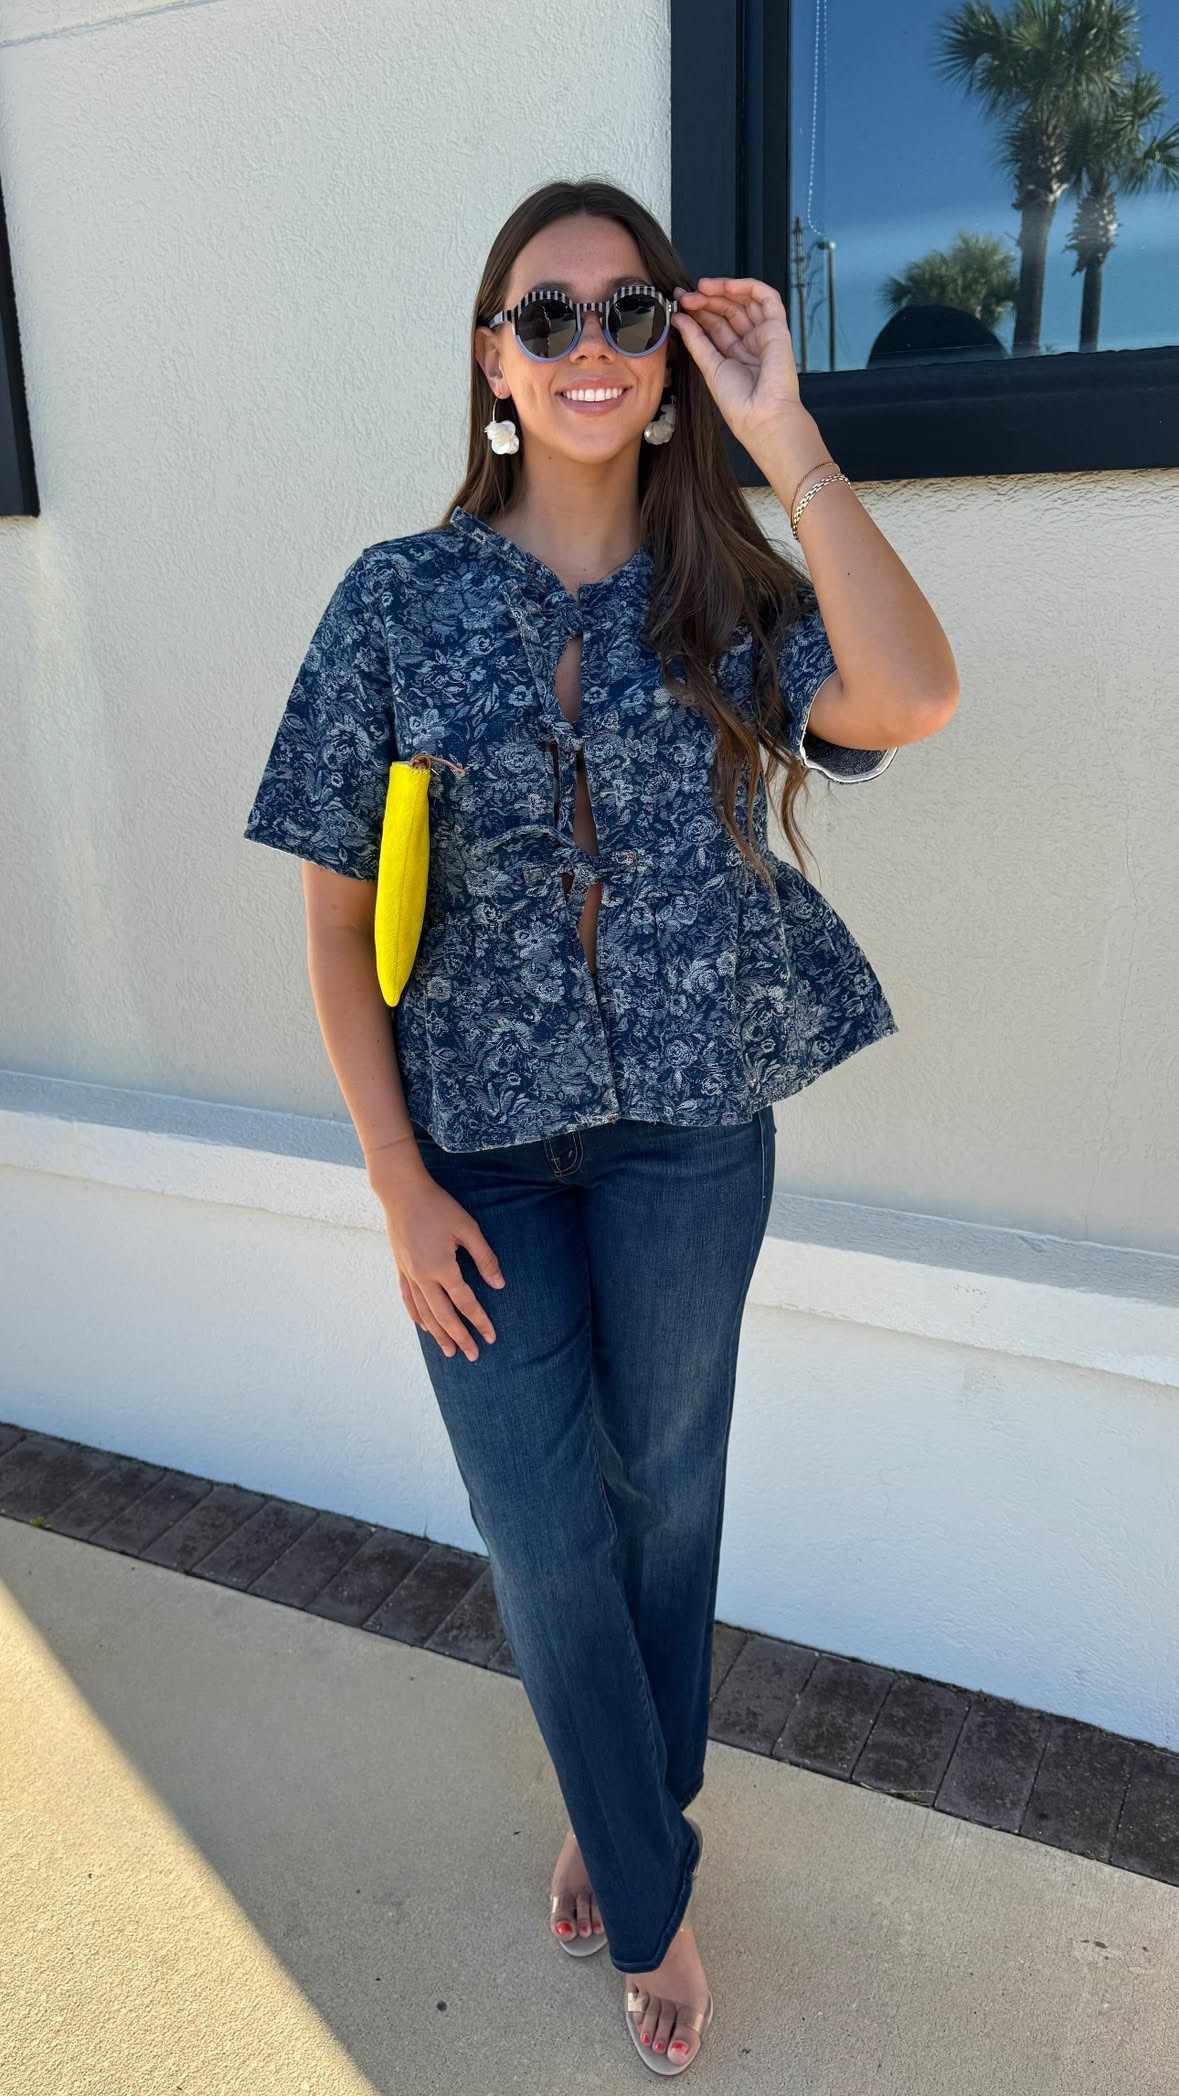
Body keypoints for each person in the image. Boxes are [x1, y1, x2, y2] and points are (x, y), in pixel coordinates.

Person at [243, 176, 959, 2076]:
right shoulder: (395, 596)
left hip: (686, 1135)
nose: (585, 348)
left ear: (668, 356)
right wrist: (393, 1181)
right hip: (469, 1145)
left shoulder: (727, 587)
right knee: (540, 1525)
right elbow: (328, 912)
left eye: (626, 316)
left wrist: (783, 434)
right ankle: (655, 1898)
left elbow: (916, 690)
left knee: (668, 1501)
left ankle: (618, 1820)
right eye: (543, 318)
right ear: (491, 359)